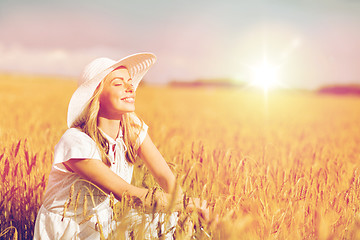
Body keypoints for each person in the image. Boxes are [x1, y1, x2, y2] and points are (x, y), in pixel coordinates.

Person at [33, 53, 209, 239]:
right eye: (118, 83)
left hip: (102, 222)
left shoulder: (132, 130)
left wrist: (184, 211)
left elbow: (165, 177)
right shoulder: (76, 142)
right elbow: (129, 195)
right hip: (70, 229)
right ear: (96, 94)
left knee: (168, 219)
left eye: (130, 82)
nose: (130, 87)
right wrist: (187, 203)